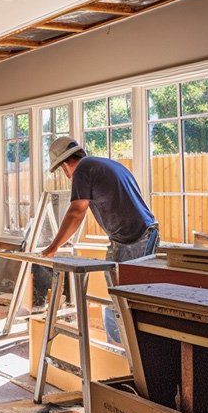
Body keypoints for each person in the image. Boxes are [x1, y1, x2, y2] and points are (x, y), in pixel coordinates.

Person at [38, 135, 159, 342]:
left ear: (66, 163)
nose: (66, 175)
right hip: (130, 237)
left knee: (125, 304)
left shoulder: (83, 169)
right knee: (119, 301)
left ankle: (131, 358)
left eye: (63, 170)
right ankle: (126, 353)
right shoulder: (103, 164)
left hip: (135, 238)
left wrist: (52, 247)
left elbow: (77, 211)